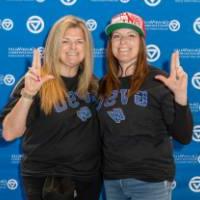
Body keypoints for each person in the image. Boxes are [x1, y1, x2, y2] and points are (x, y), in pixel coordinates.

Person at [0, 15, 101, 200]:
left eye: (79, 41)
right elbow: (9, 133)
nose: (73, 48)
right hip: (45, 180)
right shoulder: (34, 82)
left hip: (87, 179)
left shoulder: (93, 84)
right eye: (65, 41)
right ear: (54, 45)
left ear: (87, 48)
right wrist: (28, 94)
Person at [97, 12, 193, 200]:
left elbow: (184, 135)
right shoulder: (103, 84)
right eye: (117, 36)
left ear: (142, 42)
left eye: (131, 35)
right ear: (110, 44)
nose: (123, 41)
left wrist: (180, 96)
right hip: (112, 180)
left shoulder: (159, 81)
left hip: (151, 182)